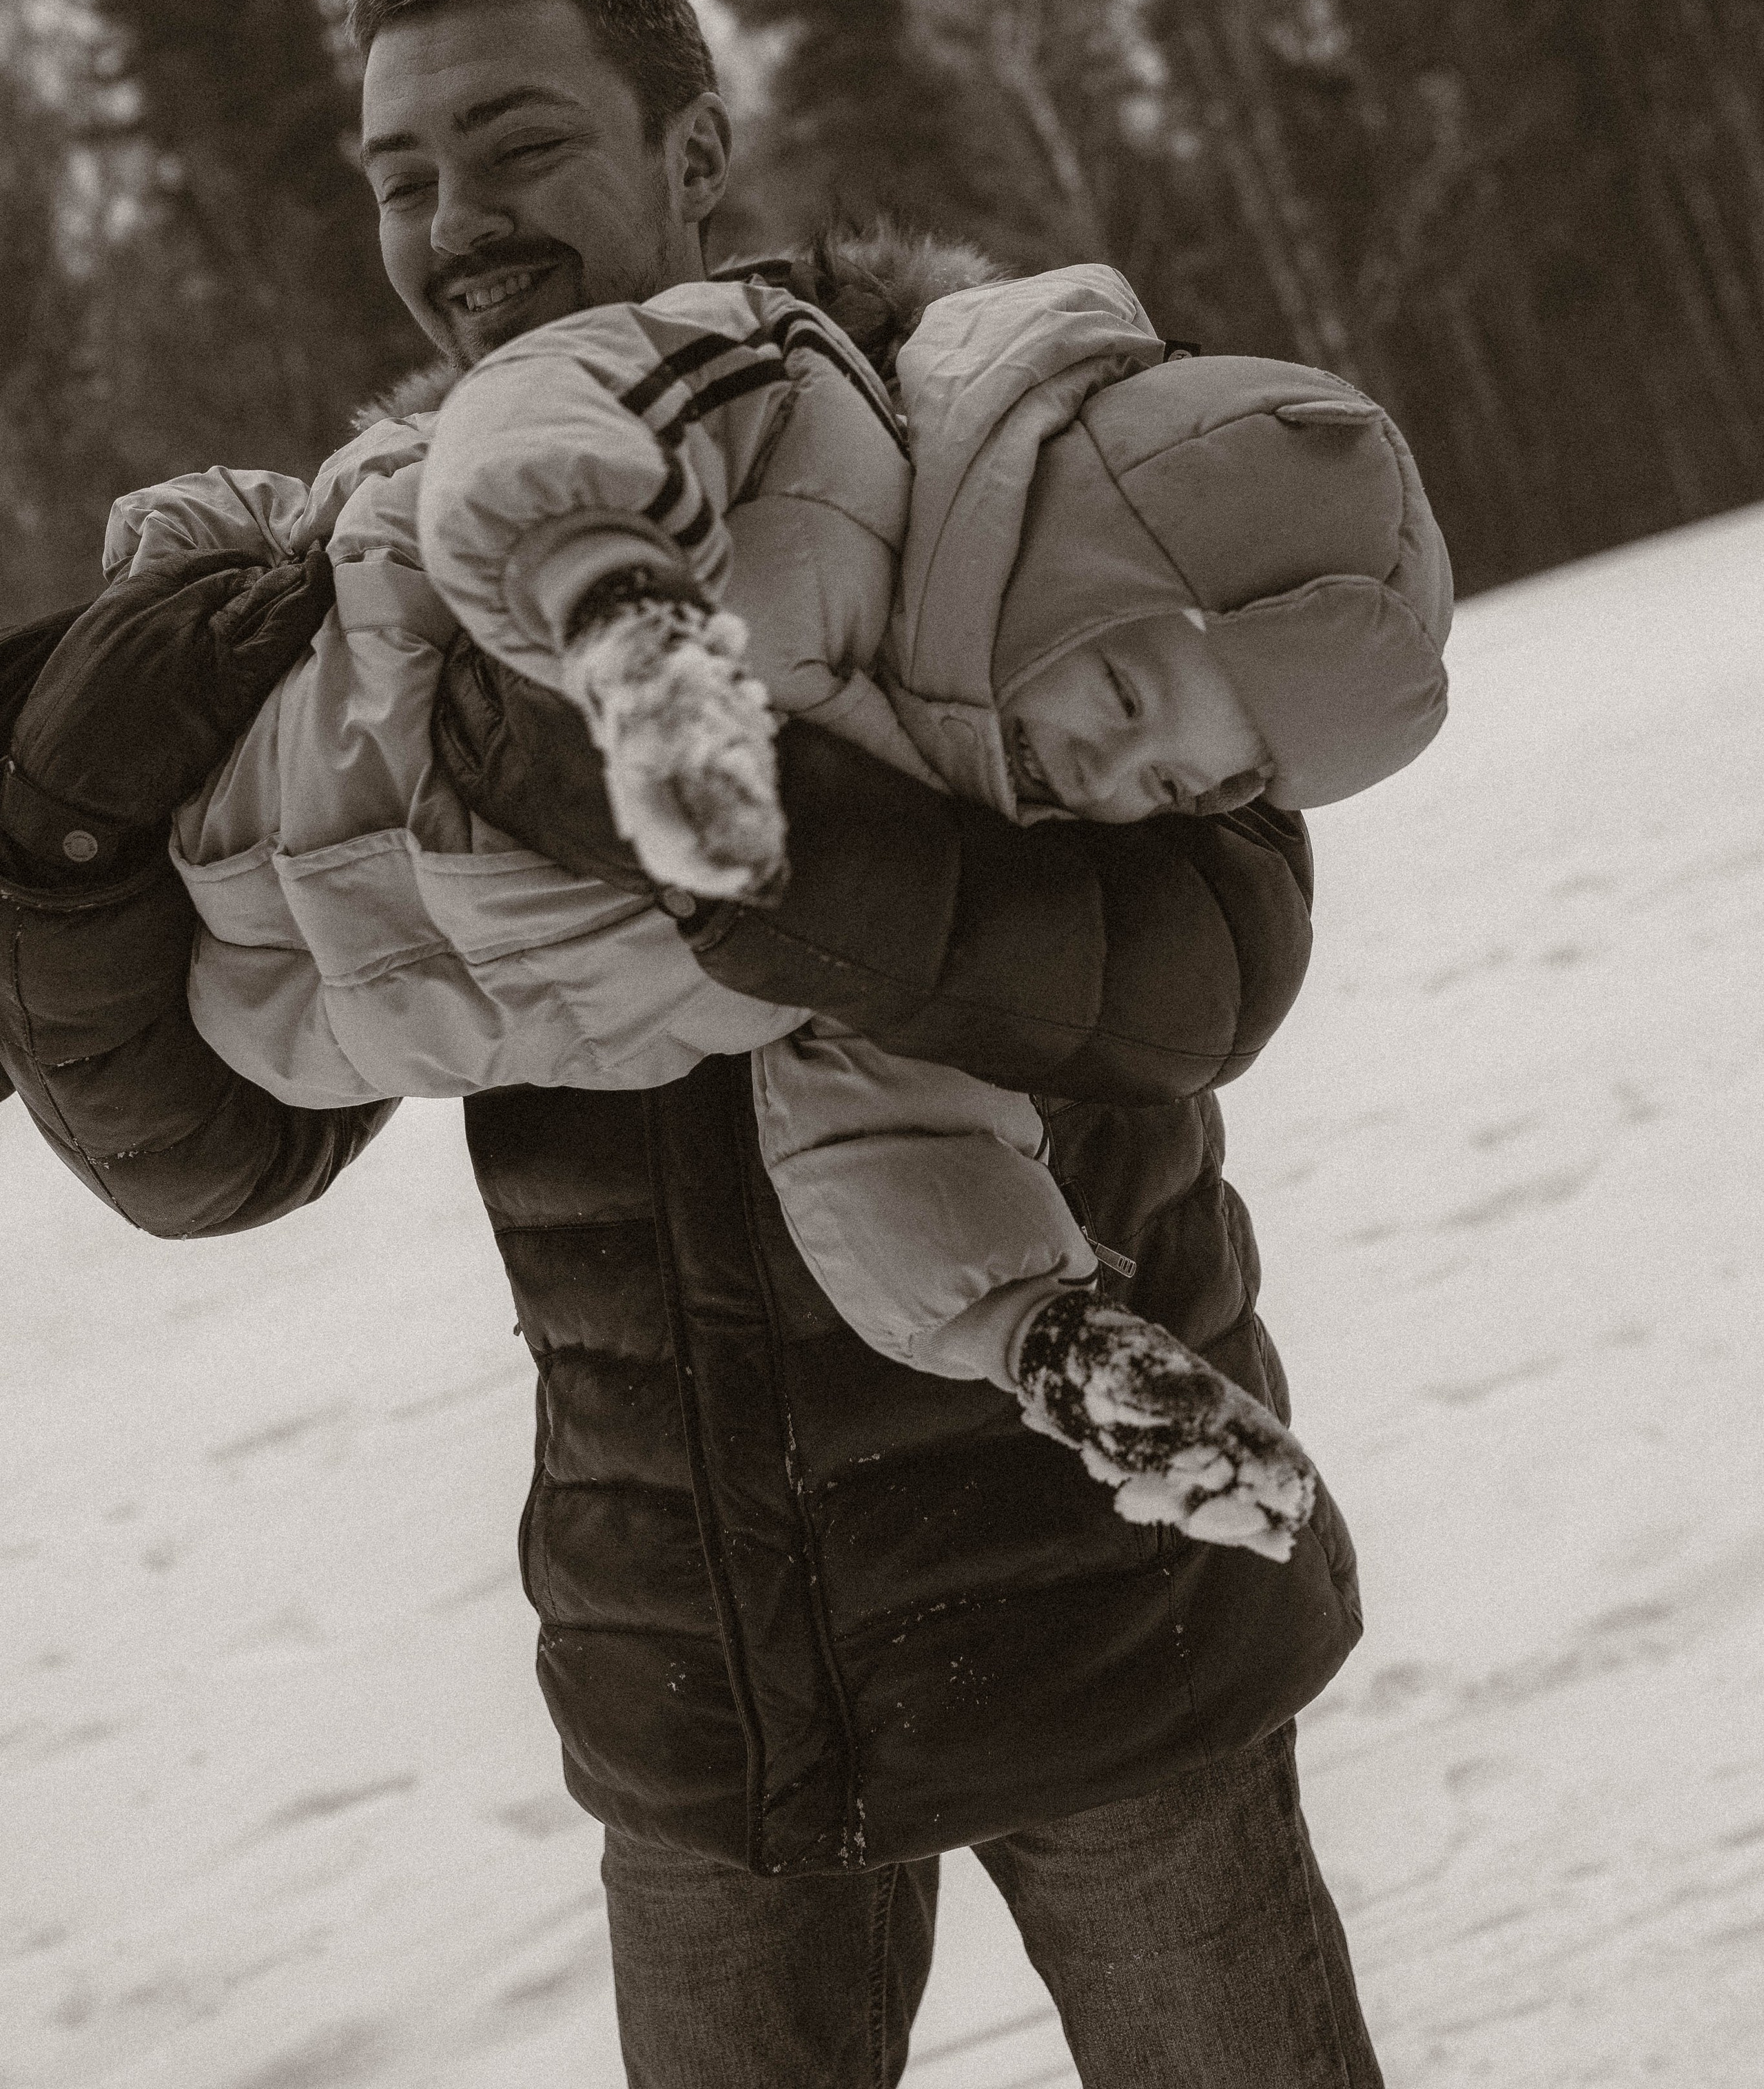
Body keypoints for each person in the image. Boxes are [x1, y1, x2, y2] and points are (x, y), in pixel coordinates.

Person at [0, 0, 1386, 2086]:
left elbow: (1202, 962)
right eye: (400, 177)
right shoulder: (396, 613)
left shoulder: (997, 483)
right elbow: (212, 1151)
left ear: (697, 150)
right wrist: (63, 848)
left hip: (1096, 1626)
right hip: (706, 1683)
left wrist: (682, 812)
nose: (458, 222)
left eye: (521, 144)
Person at [105, 241, 1447, 1557]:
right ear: (1081, 529)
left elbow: (894, 1117)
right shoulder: (812, 408)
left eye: (1166, 785)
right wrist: (631, 625)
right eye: (1121, 695)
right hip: (227, 729)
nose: (1109, 773)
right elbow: (551, 405)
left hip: (230, 992)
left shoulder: (938, 837)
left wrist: (1048, 1338)